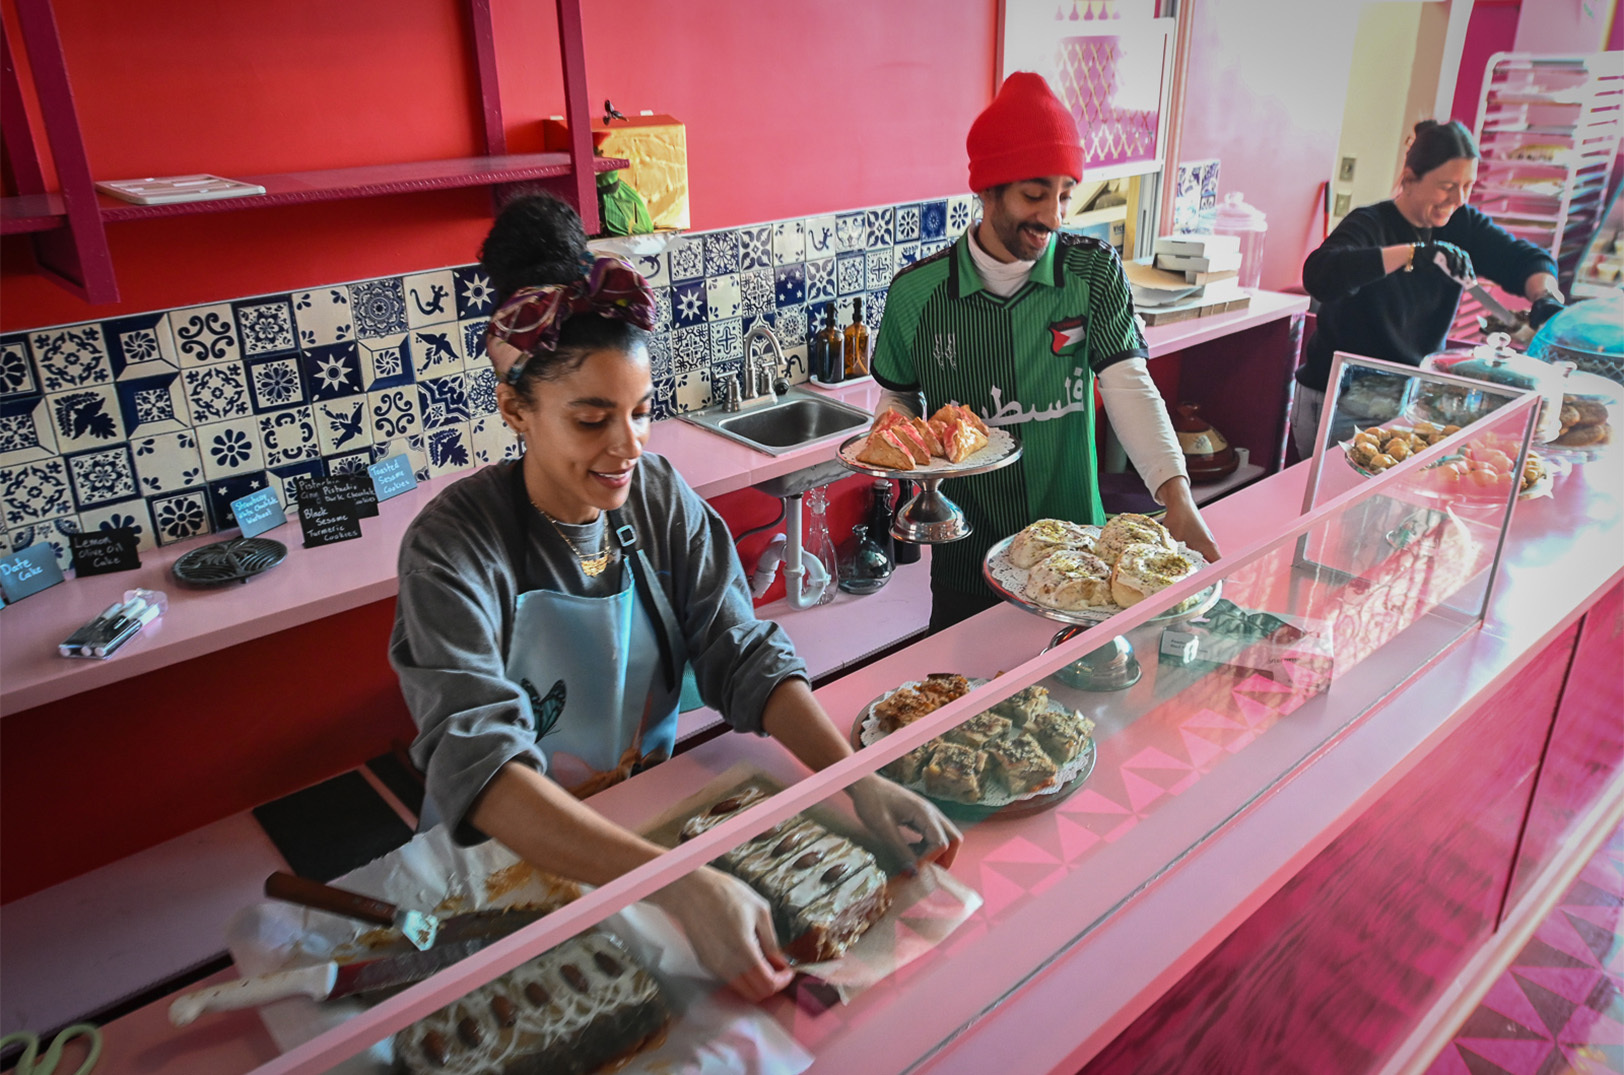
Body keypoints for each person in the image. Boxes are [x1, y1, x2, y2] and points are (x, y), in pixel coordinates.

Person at [389, 194, 960, 1001]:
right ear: (516, 408)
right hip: (496, 872)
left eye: (639, 412)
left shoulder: (655, 497)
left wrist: (857, 779)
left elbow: (742, 651)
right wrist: (679, 882)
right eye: (592, 420)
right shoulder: (454, 545)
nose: (626, 446)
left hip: (639, 832)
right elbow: (479, 764)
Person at [870, 72, 1221, 632]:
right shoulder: (918, 293)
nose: (1054, 217)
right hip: (967, 557)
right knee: (967, 687)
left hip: (1082, 560)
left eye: (1064, 196)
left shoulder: (1092, 271)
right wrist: (909, 459)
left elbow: (1128, 385)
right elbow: (898, 398)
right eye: (1034, 195)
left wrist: (1177, 497)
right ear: (987, 190)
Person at [1292, 119, 1563, 459]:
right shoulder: (1370, 224)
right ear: (1409, 179)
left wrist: (1545, 296)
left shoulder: (1462, 225)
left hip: (1407, 399)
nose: (1458, 199)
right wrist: (1412, 254)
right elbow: (1320, 275)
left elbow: (1524, 259)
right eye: (1447, 186)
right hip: (1340, 399)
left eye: (1467, 186)